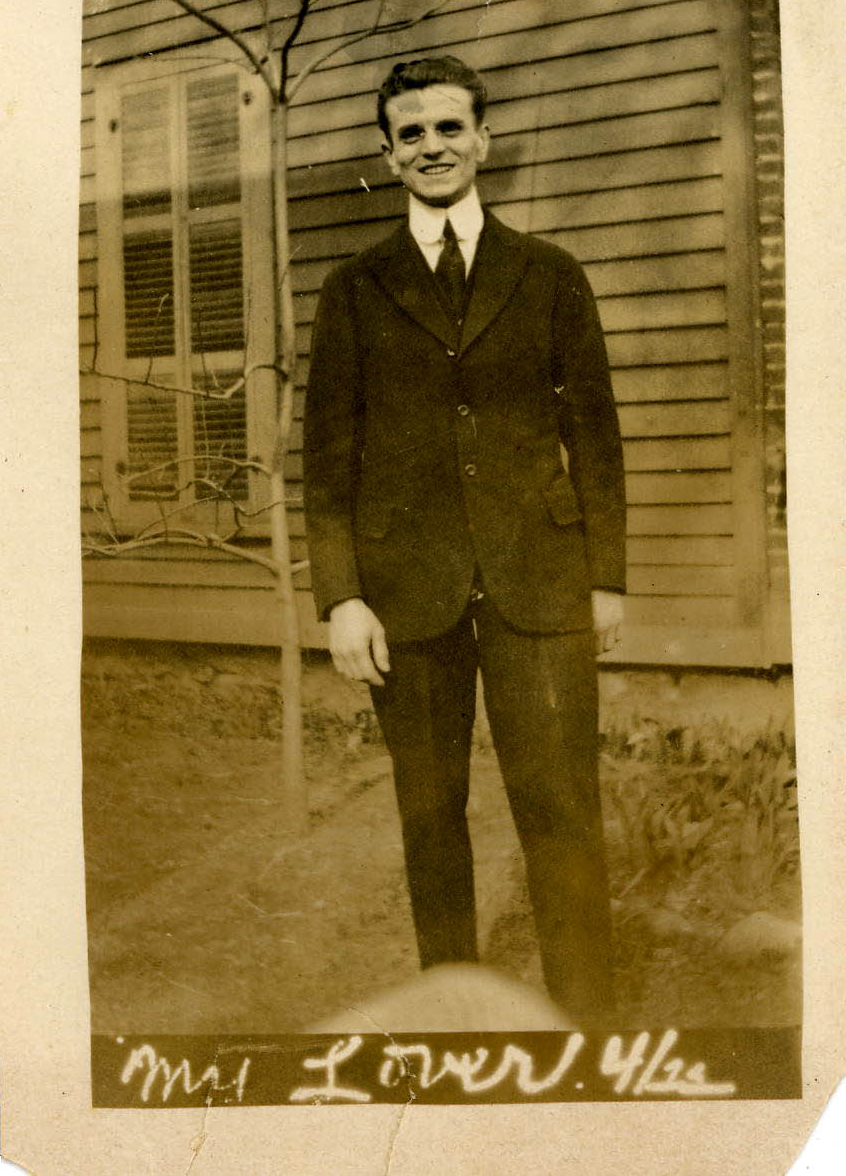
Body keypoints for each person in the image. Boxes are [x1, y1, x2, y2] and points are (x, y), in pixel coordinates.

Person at [302, 55, 626, 1022]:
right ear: (388, 154)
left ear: (483, 140)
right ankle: (451, 1028)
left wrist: (606, 579)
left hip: (541, 579)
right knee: (430, 813)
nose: (432, 146)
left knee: (561, 807)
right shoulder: (355, 288)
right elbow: (327, 459)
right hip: (407, 591)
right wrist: (342, 596)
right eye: (411, 133)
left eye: (449, 127)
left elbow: (596, 438)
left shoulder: (551, 275)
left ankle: (587, 1030)